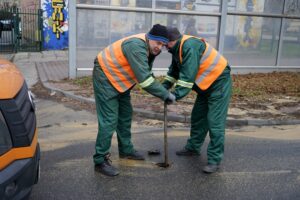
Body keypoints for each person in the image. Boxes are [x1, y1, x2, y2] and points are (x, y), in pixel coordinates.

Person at [93, 24, 176, 177]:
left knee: (125, 115)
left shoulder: (151, 49)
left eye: (163, 45)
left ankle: (126, 150)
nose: (159, 47)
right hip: (105, 75)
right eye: (158, 43)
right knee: (110, 119)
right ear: (150, 38)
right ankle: (100, 160)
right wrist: (164, 94)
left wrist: (161, 89)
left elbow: (146, 72)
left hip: (120, 80)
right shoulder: (136, 46)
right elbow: (144, 80)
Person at [163, 27, 232, 173]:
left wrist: (175, 95)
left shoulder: (189, 46)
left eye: (165, 43)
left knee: (215, 123)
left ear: (173, 40)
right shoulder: (177, 49)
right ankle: (193, 148)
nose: (163, 46)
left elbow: (187, 76)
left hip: (219, 83)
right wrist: (163, 87)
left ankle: (214, 160)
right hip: (205, 86)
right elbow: (174, 71)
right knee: (198, 118)